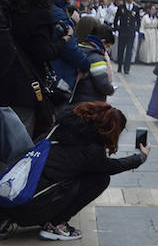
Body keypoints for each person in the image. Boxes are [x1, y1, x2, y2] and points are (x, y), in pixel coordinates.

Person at [0, 102, 149, 240]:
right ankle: (56, 224)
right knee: (100, 179)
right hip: (31, 209)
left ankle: (14, 218)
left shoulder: (59, 129)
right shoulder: (90, 150)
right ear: (109, 130)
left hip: (13, 198)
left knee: (69, 174)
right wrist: (141, 157)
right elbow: (112, 166)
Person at [8, 0, 67, 136]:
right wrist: (63, 41)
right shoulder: (39, 14)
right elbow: (43, 52)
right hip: (24, 88)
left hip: (6, 84)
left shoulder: (9, 8)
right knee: (19, 145)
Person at [48, 0, 91, 97]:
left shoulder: (51, 7)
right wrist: (86, 64)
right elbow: (70, 49)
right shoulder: (58, 13)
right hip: (59, 77)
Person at [72, 19, 115, 104]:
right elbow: (102, 83)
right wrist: (111, 90)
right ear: (102, 41)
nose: (108, 49)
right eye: (108, 46)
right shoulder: (97, 57)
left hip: (77, 98)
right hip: (91, 102)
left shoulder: (79, 49)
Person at [113, 0, 141, 74]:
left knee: (129, 51)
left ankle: (127, 68)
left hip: (131, 33)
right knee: (121, 49)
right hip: (122, 32)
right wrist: (116, 29)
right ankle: (119, 66)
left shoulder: (136, 8)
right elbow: (116, 19)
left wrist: (137, 29)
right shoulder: (121, 7)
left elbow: (138, 20)